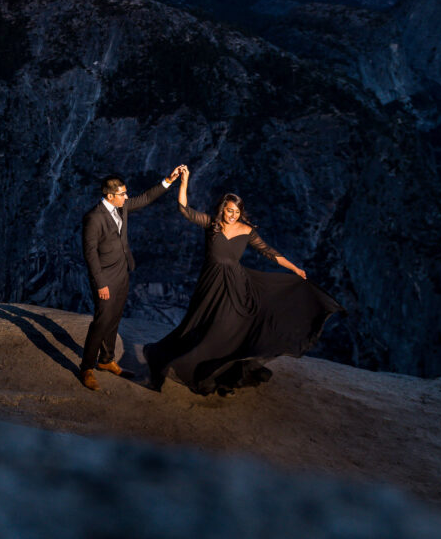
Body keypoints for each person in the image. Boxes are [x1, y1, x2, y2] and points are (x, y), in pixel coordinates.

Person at [143, 166, 343, 394]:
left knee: (224, 329)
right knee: (197, 326)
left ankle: (222, 376)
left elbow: (269, 252)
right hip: (209, 284)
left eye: (236, 212)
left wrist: (295, 268)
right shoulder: (212, 224)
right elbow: (184, 209)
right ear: (222, 209)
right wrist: (185, 181)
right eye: (229, 211)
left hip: (235, 286)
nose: (232, 215)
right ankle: (169, 360)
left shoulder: (247, 231)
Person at [79, 167, 183, 391]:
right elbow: (89, 254)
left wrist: (168, 180)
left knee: (115, 318)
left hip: (122, 272)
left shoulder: (122, 206)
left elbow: (145, 198)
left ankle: (106, 360)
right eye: (123, 193)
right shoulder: (93, 218)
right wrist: (100, 284)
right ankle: (86, 367)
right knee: (101, 322)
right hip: (105, 276)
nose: (127, 197)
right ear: (110, 196)